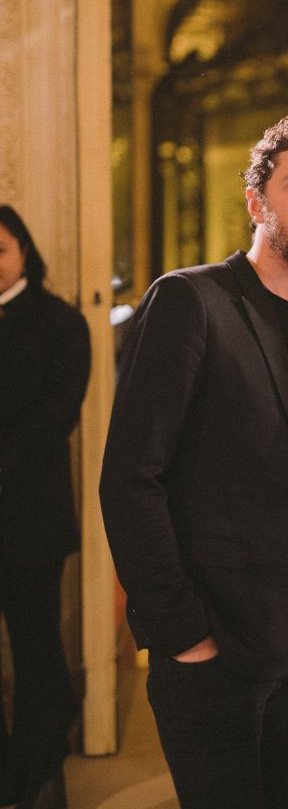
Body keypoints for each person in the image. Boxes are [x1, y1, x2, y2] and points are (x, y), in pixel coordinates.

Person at [99, 106, 288, 809]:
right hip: (212, 647)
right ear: (256, 201)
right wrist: (182, 632)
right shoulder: (190, 301)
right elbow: (130, 479)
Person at [0, 206, 91, 809]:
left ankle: (39, 770)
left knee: (36, 649)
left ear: (24, 252)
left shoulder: (62, 322)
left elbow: (55, 417)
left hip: (29, 515)